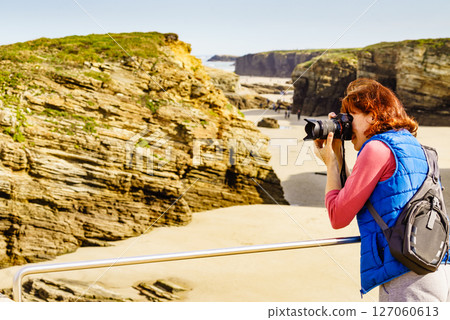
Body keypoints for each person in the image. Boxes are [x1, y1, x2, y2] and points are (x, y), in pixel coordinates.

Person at [314, 78, 450, 302]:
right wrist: (337, 155)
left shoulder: (376, 148)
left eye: (351, 117)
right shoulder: (411, 145)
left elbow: (338, 216)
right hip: (438, 266)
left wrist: (330, 165)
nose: (346, 125)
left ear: (372, 115)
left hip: (407, 276)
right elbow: (357, 195)